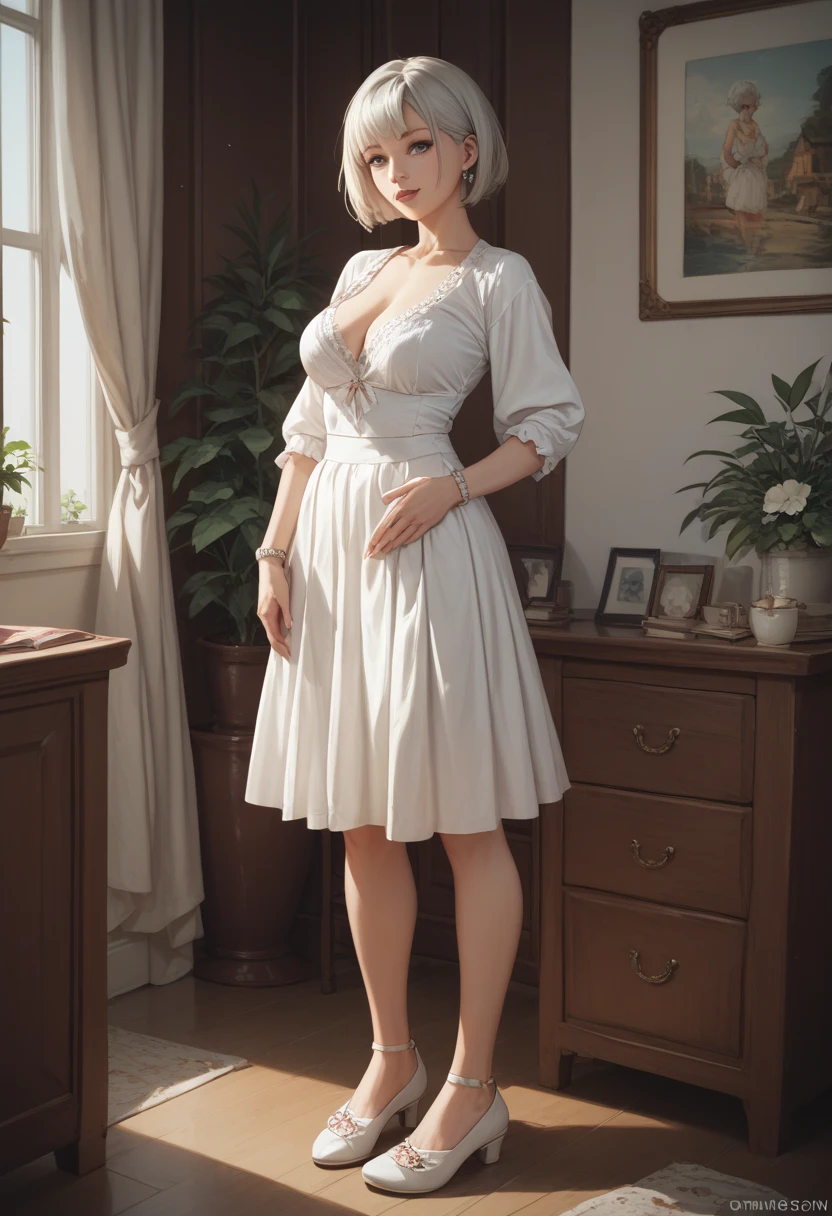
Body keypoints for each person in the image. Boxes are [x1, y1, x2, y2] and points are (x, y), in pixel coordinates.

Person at [244, 54, 584, 1194]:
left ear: (468, 148)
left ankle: (474, 1086)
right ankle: (392, 1062)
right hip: (332, 564)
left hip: (431, 558)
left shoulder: (499, 280)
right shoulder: (358, 268)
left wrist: (453, 485)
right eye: (377, 155)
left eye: (417, 147)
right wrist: (276, 550)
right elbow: (307, 428)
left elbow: (547, 422)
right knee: (362, 824)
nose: (396, 171)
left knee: (466, 827)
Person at [720, 79, 769, 255]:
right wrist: (737, 166)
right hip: (742, 174)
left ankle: (755, 246)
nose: (754, 105)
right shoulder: (734, 125)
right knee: (741, 207)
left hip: (755, 174)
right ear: (742, 104)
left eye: (754, 101)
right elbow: (727, 152)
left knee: (756, 211)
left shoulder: (756, 126)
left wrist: (757, 160)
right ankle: (749, 247)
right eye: (750, 102)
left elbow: (764, 149)